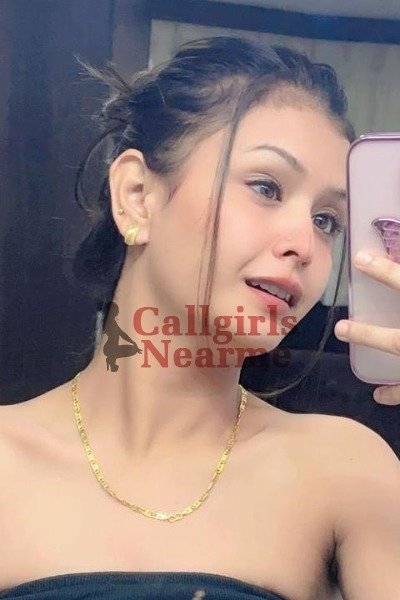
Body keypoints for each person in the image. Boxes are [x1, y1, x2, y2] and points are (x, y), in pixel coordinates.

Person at [0, 36, 399, 600]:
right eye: (266, 187)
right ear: (137, 195)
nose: (305, 245)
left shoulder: (347, 472)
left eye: (327, 220)